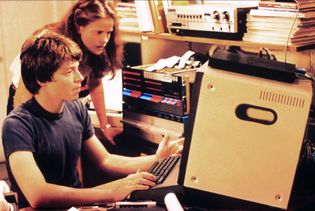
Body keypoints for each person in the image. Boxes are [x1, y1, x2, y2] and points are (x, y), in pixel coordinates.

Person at [2, 30, 183, 209]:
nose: (79, 78)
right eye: (68, 72)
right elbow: (38, 195)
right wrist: (111, 192)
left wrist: (158, 159)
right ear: (42, 79)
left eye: (77, 69)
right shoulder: (17, 125)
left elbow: (106, 161)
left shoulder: (76, 108)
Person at [9, 0, 123, 145]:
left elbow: (95, 83)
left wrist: (104, 125)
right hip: (28, 98)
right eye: (99, 32)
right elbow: (22, 100)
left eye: (108, 33)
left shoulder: (95, 46)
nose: (105, 39)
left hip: (60, 101)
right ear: (79, 27)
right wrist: (23, 133)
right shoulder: (45, 45)